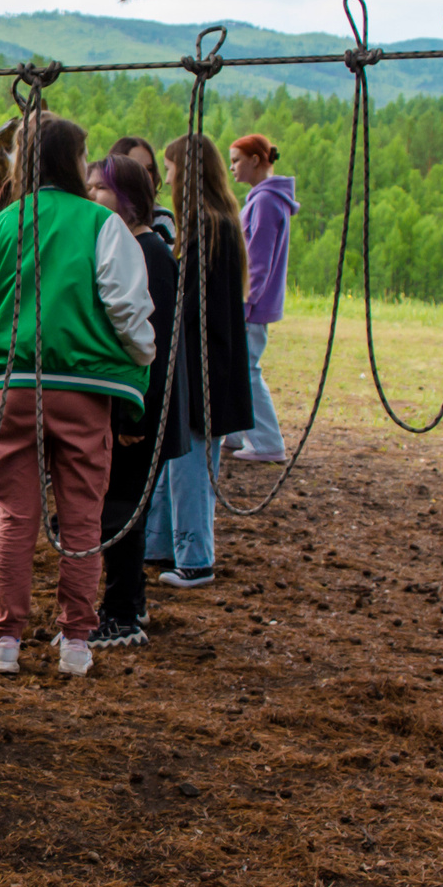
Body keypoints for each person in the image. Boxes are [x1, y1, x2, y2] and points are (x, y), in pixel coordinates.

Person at [0, 113, 155, 678]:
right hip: (83, 390)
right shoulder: (102, 225)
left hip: (13, 387)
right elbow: (126, 305)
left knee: (14, 514)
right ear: (76, 161)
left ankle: (5, 640)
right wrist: (140, 353)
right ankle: (76, 641)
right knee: (82, 515)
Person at [144, 133, 253, 587]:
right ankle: (161, 544)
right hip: (208, 362)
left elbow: (193, 303)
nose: (165, 178)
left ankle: (195, 558)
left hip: (204, 365)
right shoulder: (215, 224)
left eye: (170, 169)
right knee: (177, 459)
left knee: (189, 464)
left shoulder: (206, 228)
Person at [94, 155, 179, 648]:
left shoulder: (149, 253)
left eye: (99, 188)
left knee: (121, 509)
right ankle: (134, 601)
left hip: (139, 411)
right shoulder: (137, 249)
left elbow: (155, 345)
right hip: (136, 407)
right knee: (123, 507)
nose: (92, 196)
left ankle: (122, 613)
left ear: (124, 196)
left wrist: (133, 412)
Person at [227, 132, 296, 462]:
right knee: (240, 369)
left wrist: (244, 303)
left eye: (237, 161)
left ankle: (268, 443)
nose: (232, 168)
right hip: (255, 305)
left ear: (256, 160)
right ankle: (236, 432)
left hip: (251, 308)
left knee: (247, 370)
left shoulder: (266, 201)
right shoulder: (265, 198)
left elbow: (258, 260)